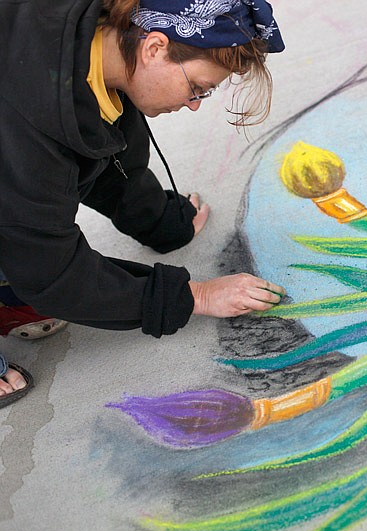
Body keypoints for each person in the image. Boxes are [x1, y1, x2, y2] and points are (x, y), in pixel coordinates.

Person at [0, 0, 287, 407]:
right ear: (154, 47)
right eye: (196, 88)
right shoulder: (28, 117)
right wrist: (195, 295)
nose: (194, 104)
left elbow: (109, 152)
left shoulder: (96, 47)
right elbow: (51, 272)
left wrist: (161, 222)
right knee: (23, 249)